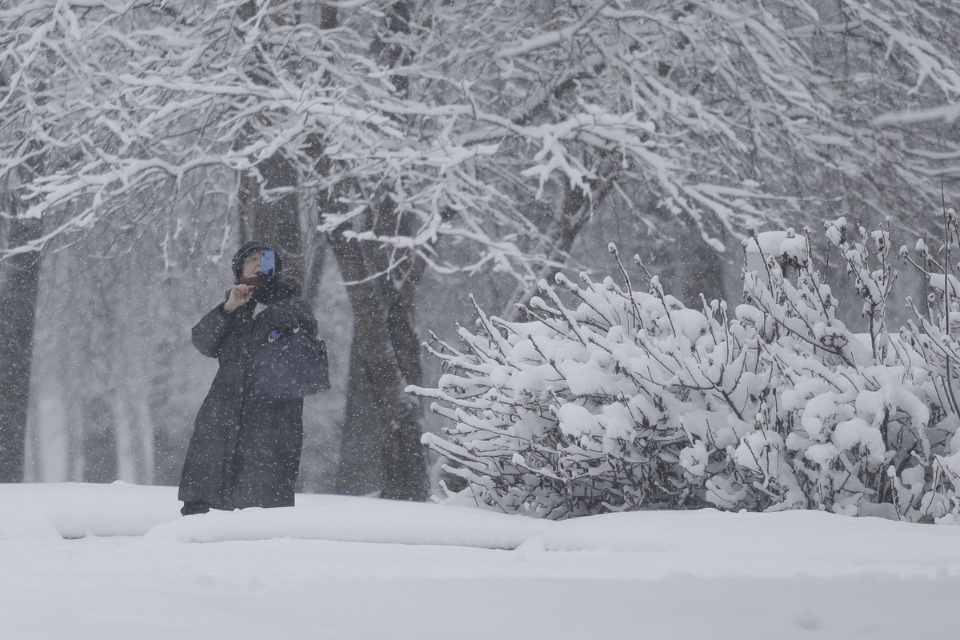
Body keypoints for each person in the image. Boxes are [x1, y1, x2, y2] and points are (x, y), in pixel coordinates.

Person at [178, 241, 318, 516]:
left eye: (263, 259)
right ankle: (198, 538)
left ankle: (255, 548)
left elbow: (306, 338)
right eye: (250, 259)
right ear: (239, 267)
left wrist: (275, 303)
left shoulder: (292, 304)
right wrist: (229, 308)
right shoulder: (234, 307)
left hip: (272, 411)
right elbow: (204, 342)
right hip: (224, 406)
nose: (256, 264)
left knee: (262, 495)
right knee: (205, 487)